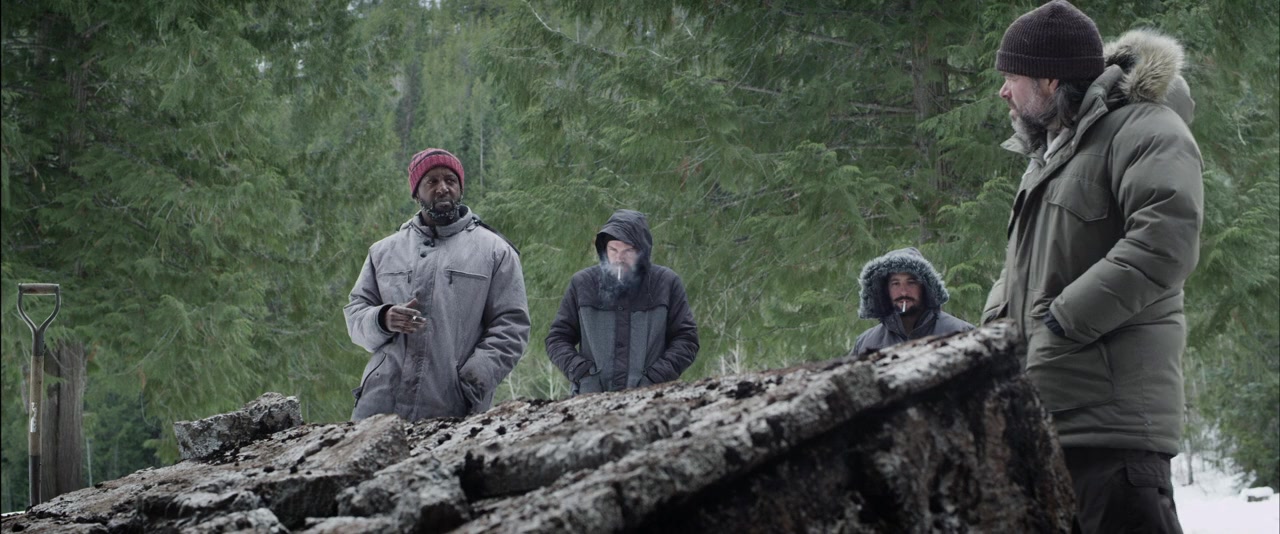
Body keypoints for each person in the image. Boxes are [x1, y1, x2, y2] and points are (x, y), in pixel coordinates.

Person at [982, 2, 1202, 532]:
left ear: (1051, 79)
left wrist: (1060, 322)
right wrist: (993, 337)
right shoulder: (1053, 156)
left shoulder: (1146, 130)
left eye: (1013, 77)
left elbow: (1163, 243)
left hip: (1115, 432)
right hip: (1050, 423)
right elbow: (1025, 273)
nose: (1003, 91)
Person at [344, 148, 530, 421]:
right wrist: (382, 318)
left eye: (450, 181)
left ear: (460, 188)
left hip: (453, 410)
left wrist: (472, 381)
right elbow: (355, 314)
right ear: (416, 193)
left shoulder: (496, 252)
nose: (443, 188)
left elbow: (512, 327)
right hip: (378, 406)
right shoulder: (383, 251)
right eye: (432, 181)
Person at [546, 209, 699, 395]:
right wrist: (583, 373)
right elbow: (557, 339)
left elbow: (686, 339)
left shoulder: (665, 283)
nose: (619, 258)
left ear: (642, 251)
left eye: (628, 250)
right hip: (591, 401)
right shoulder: (583, 283)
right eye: (613, 250)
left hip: (652, 399)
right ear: (604, 249)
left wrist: (656, 377)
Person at [852, 247, 974, 358]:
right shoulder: (866, 343)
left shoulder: (960, 333)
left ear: (925, 286)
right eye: (896, 284)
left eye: (911, 282)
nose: (903, 292)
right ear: (885, 290)